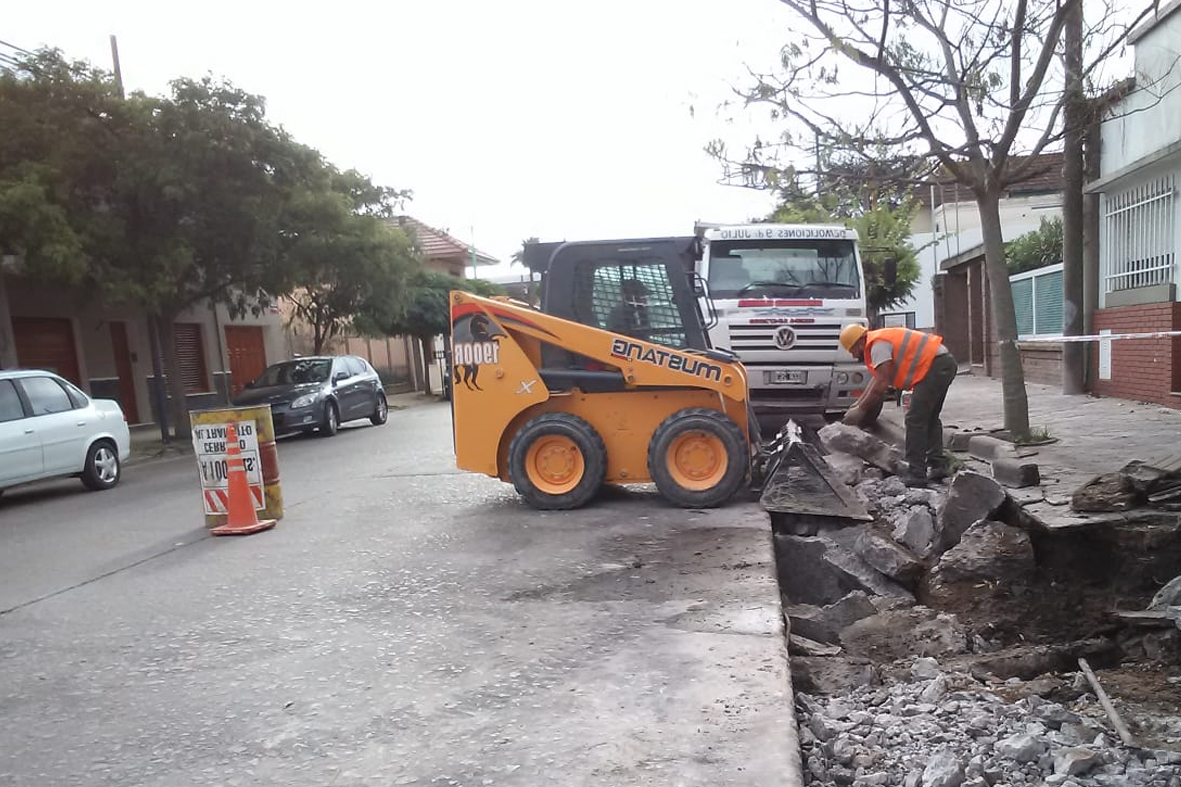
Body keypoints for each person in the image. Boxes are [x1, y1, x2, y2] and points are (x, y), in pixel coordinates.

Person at [839, 324, 957, 487]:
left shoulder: (878, 345)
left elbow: (882, 382)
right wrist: (857, 405)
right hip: (941, 363)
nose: (853, 355)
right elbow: (876, 379)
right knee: (929, 417)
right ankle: (937, 465)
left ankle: (916, 473)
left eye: (852, 350)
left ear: (858, 342)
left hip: (935, 366)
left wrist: (862, 410)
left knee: (915, 419)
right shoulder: (878, 342)